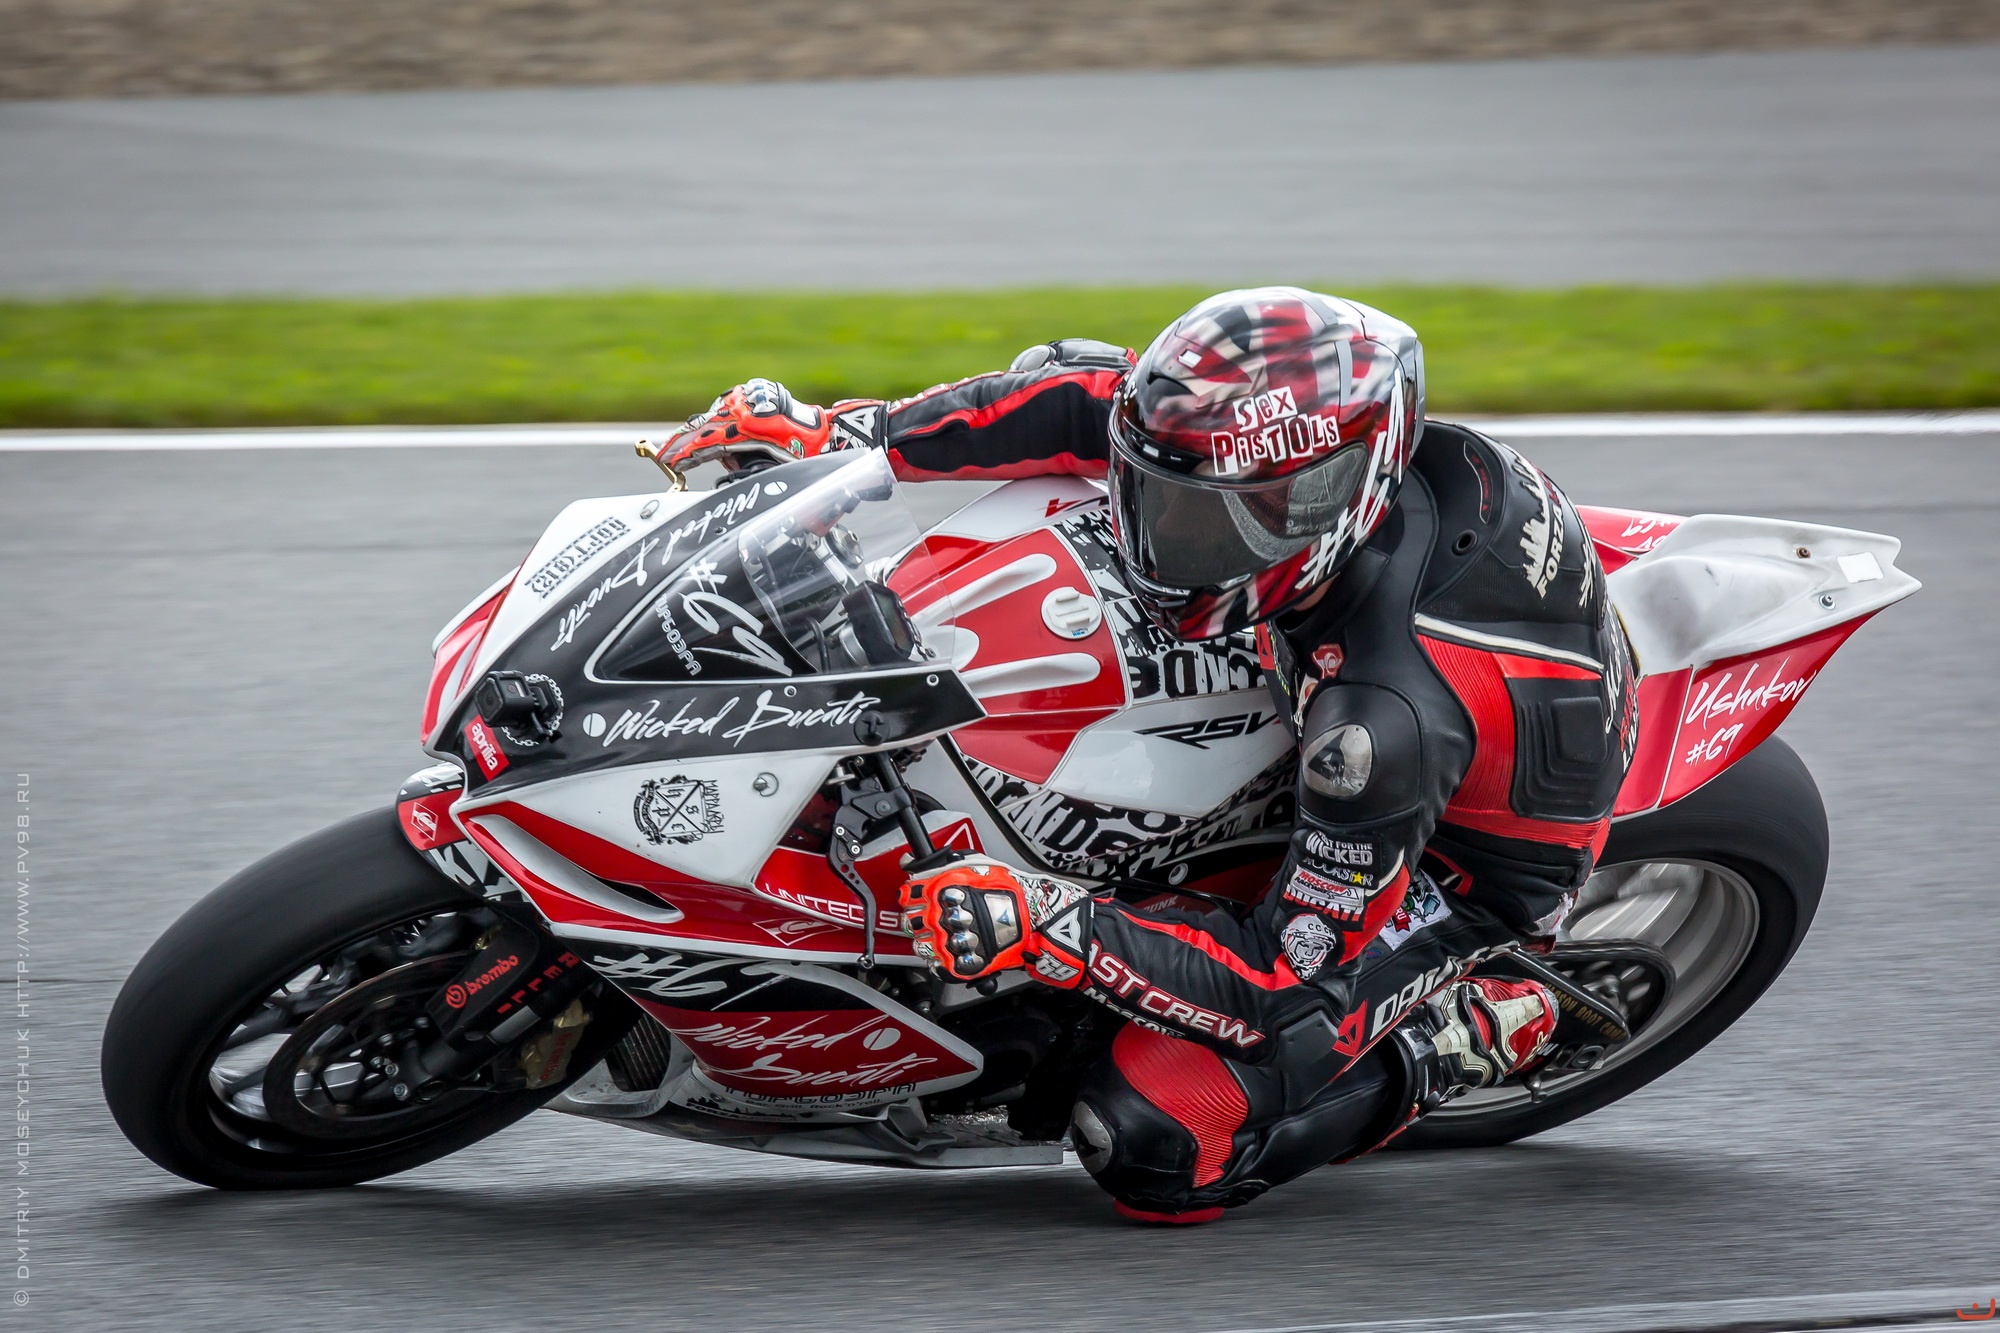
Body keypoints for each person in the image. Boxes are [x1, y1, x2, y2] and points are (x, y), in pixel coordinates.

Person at [653, 287, 1638, 1222]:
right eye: (1154, 493)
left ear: (1324, 504)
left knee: (1153, 1141)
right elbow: (1079, 399)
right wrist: (842, 436)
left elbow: (1279, 981)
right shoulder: (1265, 456)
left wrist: (1047, 923)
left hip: (1453, 867)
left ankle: (1472, 1031)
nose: (1155, 534)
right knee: (1065, 368)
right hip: (1394, 680)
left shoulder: (1374, 730)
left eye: (1201, 522)